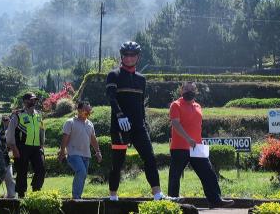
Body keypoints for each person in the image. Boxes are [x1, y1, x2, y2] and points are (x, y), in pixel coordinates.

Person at [106, 41, 175, 201]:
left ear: (138, 57)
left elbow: (141, 104)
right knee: (118, 162)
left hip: (138, 127)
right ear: (122, 56)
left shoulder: (141, 79)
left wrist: (145, 124)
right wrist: (119, 115)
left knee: (150, 158)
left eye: (133, 55)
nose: (129, 58)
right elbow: (111, 97)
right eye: (126, 55)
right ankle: (113, 196)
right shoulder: (113, 75)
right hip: (120, 126)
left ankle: (157, 194)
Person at [168, 82, 234, 208]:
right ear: (181, 91)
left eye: (191, 89)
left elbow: (196, 126)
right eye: (186, 89)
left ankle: (216, 200)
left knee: (208, 173)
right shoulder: (175, 105)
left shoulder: (198, 106)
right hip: (179, 147)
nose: (188, 91)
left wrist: (198, 141)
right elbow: (175, 124)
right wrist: (188, 138)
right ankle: (173, 202)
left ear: (195, 91)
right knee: (175, 176)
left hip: (197, 147)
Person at [57, 101, 102, 199]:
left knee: (83, 175)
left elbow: (93, 139)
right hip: (73, 154)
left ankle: (78, 196)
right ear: (79, 110)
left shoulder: (90, 124)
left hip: (86, 155)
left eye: (89, 109)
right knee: (81, 172)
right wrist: (62, 152)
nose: (88, 111)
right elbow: (65, 138)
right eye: (86, 109)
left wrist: (98, 152)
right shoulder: (70, 122)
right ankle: (76, 197)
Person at [6, 92, 46, 198]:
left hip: (36, 147)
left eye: (34, 100)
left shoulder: (38, 114)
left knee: (41, 169)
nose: (33, 102)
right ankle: (21, 194)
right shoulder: (18, 115)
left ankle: (36, 190)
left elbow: (42, 130)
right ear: (24, 101)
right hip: (21, 147)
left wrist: (42, 144)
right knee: (22, 171)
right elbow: (10, 133)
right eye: (31, 100)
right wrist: (14, 148)